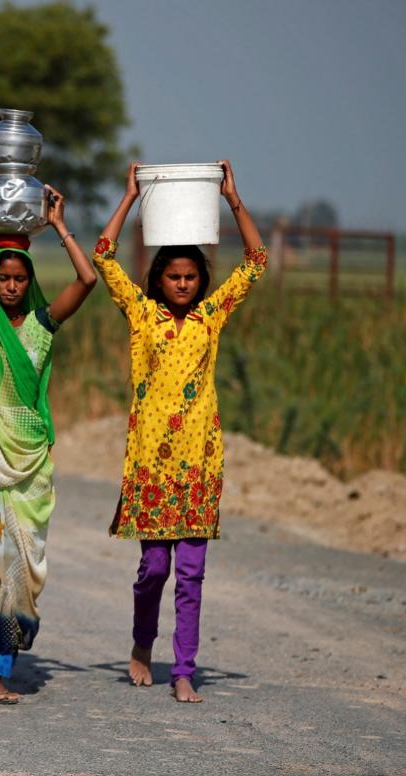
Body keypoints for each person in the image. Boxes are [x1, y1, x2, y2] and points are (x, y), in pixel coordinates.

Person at [93, 160, 266, 703]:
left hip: (199, 461)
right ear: (159, 279)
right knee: (154, 568)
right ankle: (142, 644)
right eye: (175, 276)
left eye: (191, 277)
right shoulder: (141, 315)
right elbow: (103, 256)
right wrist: (128, 197)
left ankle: (184, 668)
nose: (184, 284)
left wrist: (232, 200)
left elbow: (257, 261)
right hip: (151, 463)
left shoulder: (212, 317)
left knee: (191, 573)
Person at [0, 183, 98, 703]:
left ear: (29, 282)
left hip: (28, 471)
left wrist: (58, 226)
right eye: (2, 277)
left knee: (18, 575)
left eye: (18, 278)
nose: (9, 285)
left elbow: (88, 277)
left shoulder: (43, 326)